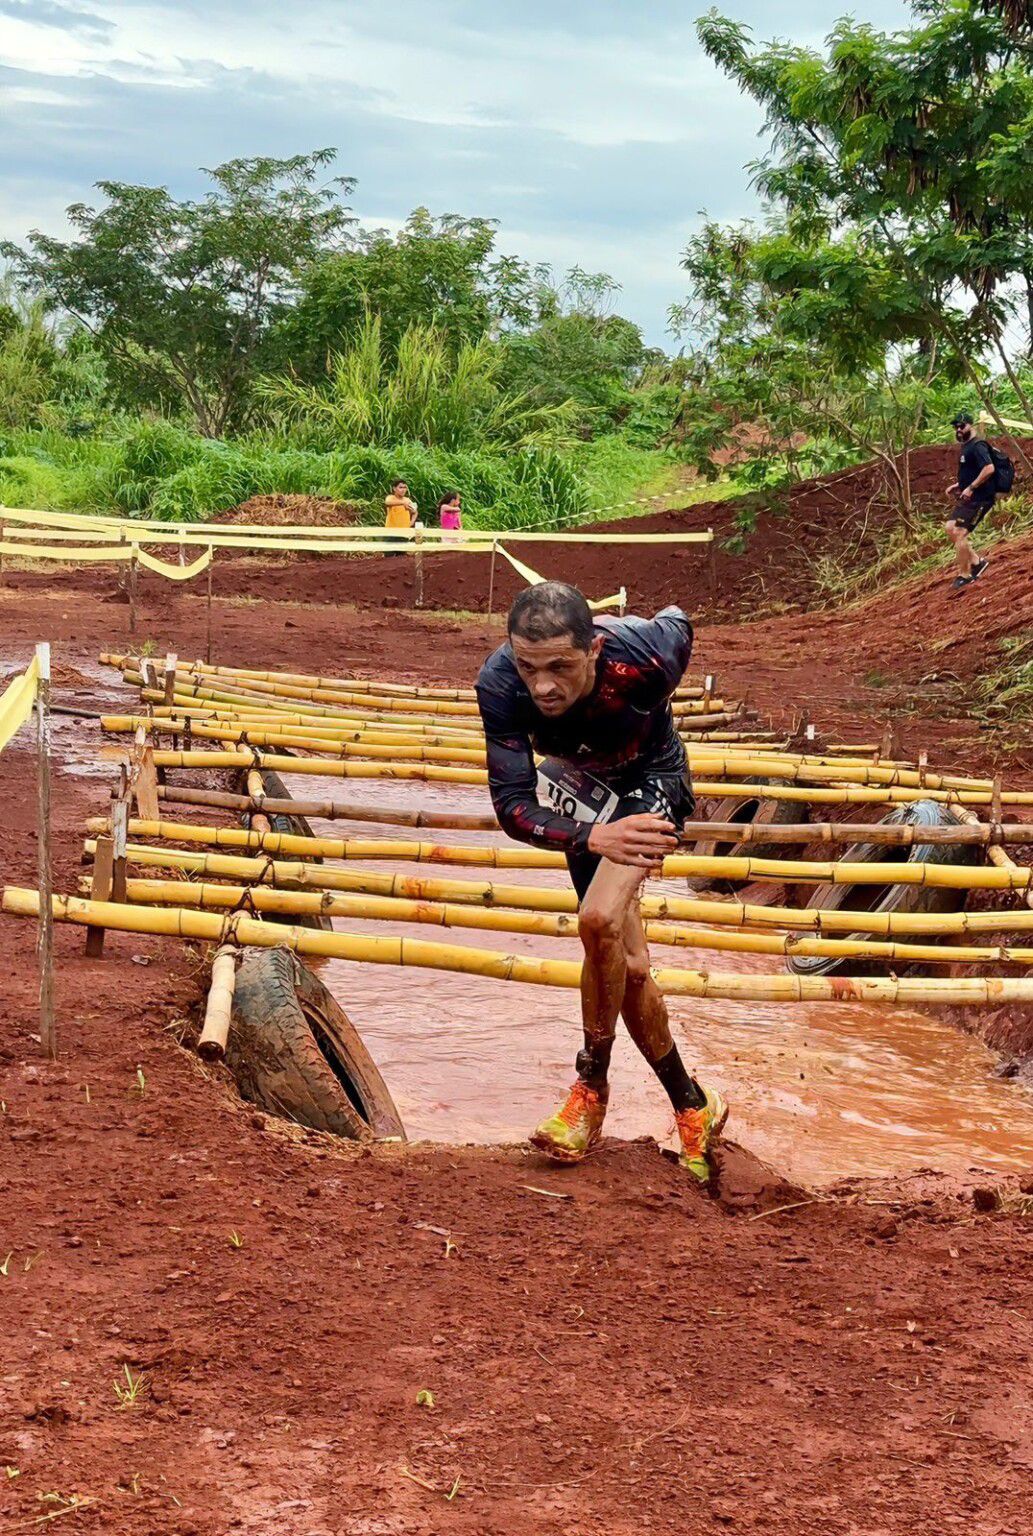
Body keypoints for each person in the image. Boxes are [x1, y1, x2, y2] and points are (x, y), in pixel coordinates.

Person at [475, 581, 727, 1182]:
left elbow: (679, 614)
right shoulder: (500, 686)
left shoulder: (645, 656)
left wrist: (623, 618)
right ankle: (693, 1104)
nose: (543, 686)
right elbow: (512, 806)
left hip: (651, 777)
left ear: (592, 651)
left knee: (596, 918)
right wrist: (593, 836)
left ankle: (590, 1089)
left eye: (561, 666)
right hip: (582, 790)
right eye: (529, 666)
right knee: (628, 966)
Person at [944, 413, 994, 591]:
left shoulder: (978, 446)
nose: (958, 430)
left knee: (959, 533)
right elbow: (975, 470)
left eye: (962, 426)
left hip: (980, 497)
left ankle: (965, 575)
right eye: (956, 427)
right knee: (950, 528)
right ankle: (976, 562)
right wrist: (959, 485)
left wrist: (971, 488)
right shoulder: (966, 447)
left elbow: (989, 468)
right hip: (969, 496)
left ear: (970, 426)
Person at [384, 479, 418, 547]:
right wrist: (403, 503)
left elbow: (415, 512)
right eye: (400, 487)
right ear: (394, 488)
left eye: (405, 487)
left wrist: (411, 522)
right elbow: (387, 502)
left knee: (402, 555)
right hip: (391, 531)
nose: (403, 490)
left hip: (404, 532)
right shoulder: (390, 498)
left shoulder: (407, 500)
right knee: (389, 555)